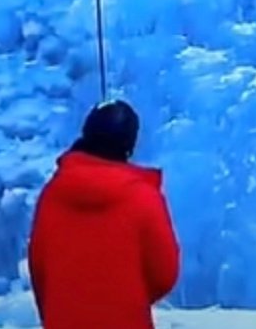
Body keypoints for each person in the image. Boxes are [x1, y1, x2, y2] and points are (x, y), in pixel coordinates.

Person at [27, 99, 180, 329]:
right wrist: (127, 299)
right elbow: (165, 274)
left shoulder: (53, 194)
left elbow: (39, 268)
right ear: (130, 144)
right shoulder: (144, 198)